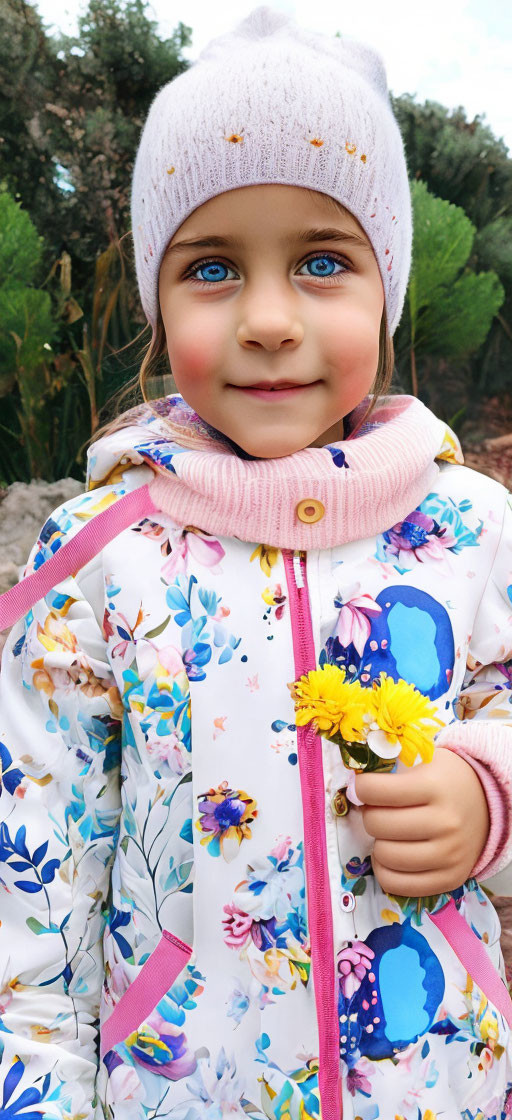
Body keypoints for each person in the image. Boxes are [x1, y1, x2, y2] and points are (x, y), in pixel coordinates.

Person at [0, 6, 511, 1118]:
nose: (270, 319)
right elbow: (31, 900)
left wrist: (488, 797)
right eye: (214, 267)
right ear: (155, 296)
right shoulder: (95, 559)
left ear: (387, 286)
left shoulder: (472, 531)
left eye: (323, 261)